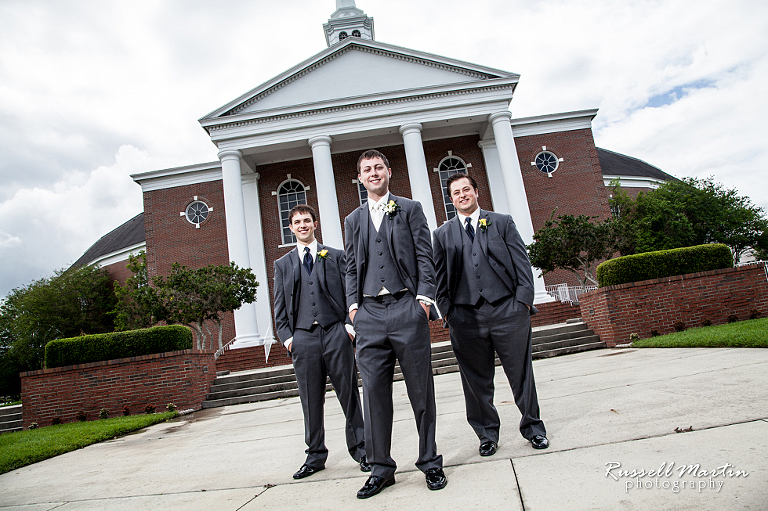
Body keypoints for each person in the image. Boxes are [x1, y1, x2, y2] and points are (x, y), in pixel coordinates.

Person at [344, 149, 447, 499]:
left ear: (389, 171)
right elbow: (350, 268)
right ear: (360, 178)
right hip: (369, 315)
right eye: (366, 169)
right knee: (373, 394)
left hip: (407, 307)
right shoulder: (352, 220)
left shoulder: (410, 208)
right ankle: (381, 468)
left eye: (378, 167)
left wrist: (423, 300)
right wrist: (353, 308)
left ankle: (430, 461)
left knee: (421, 389)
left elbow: (425, 255)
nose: (373, 173)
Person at [432, 173, 548, 457]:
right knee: (475, 381)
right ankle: (486, 435)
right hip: (465, 318)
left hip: (508, 311)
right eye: (456, 192)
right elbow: (439, 279)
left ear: (476, 192)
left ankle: (533, 428)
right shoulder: (442, 234)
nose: (462, 195)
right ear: (451, 199)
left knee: (521, 374)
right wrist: (448, 314)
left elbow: (522, 265)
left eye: (466, 190)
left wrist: (522, 303)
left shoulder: (502, 222)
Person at [273, 205, 369, 480]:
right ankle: (315, 455)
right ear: (290, 227)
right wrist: (289, 340)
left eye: (307, 220)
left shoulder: (335, 256)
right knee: (310, 401)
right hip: (303, 339)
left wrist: (349, 328)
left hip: (336, 335)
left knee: (349, 395)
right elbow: (279, 307)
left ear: (315, 223)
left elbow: (352, 292)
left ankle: (361, 450)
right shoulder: (283, 265)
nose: (302, 225)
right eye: (297, 222)